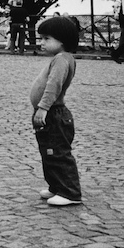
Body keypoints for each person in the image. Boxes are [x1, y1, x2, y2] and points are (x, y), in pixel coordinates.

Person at [31, 15, 83, 206]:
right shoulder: (61, 58)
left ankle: (70, 192)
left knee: (58, 153)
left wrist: (43, 108)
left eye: (46, 38)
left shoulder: (61, 60)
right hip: (52, 112)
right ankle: (56, 186)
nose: (42, 43)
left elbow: (54, 85)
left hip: (54, 113)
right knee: (49, 152)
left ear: (62, 40)